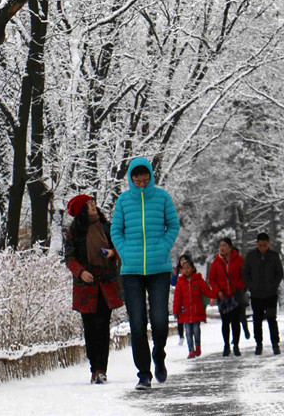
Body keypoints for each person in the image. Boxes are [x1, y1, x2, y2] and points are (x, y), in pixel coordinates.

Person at [110, 157, 180, 391]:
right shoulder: (123, 200)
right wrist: (125, 253)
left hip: (159, 268)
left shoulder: (161, 197)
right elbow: (115, 230)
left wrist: (162, 247)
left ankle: (158, 354)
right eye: (136, 176)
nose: (141, 180)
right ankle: (144, 373)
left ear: (150, 175)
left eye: (144, 175)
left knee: (160, 320)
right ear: (130, 177)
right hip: (131, 271)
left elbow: (173, 225)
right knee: (138, 323)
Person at [63, 193, 123, 384]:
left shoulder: (107, 227)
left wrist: (112, 253)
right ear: (82, 210)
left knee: (103, 327)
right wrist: (80, 272)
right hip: (85, 286)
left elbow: (119, 249)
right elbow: (69, 258)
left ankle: (101, 369)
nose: (93, 206)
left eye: (93, 203)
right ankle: (94, 368)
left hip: (105, 283)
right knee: (89, 329)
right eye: (89, 205)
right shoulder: (74, 232)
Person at [242, 232, 284, 356]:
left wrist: (274, 285)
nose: (262, 248)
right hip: (256, 294)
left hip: (270, 294)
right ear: (257, 244)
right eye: (260, 245)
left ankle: (275, 344)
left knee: (272, 319)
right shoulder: (250, 256)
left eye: (265, 245)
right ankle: (258, 344)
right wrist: (251, 286)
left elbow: (279, 273)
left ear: (268, 244)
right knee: (257, 320)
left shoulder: (274, 256)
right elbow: (245, 273)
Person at [172, 253, 216, 358]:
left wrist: (216, 294)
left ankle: (198, 346)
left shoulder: (198, 280)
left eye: (188, 268)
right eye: (184, 268)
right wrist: (176, 310)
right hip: (185, 312)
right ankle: (190, 351)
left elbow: (207, 291)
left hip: (196, 311)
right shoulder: (180, 283)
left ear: (192, 269)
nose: (186, 270)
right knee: (187, 332)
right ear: (182, 270)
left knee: (196, 331)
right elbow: (177, 298)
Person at [208, 237, 246, 356]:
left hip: (235, 296)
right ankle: (226, 345)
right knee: (225, 322)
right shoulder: (216, 262)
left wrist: (239, 287)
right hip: (223, 297)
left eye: (224, 245)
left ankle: (236, 345)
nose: (222, 248)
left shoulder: (239, 260)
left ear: (230, 247)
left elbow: (244, 275)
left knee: (235, 321)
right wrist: (218, 291)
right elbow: (212, 279)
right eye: (220, 246)